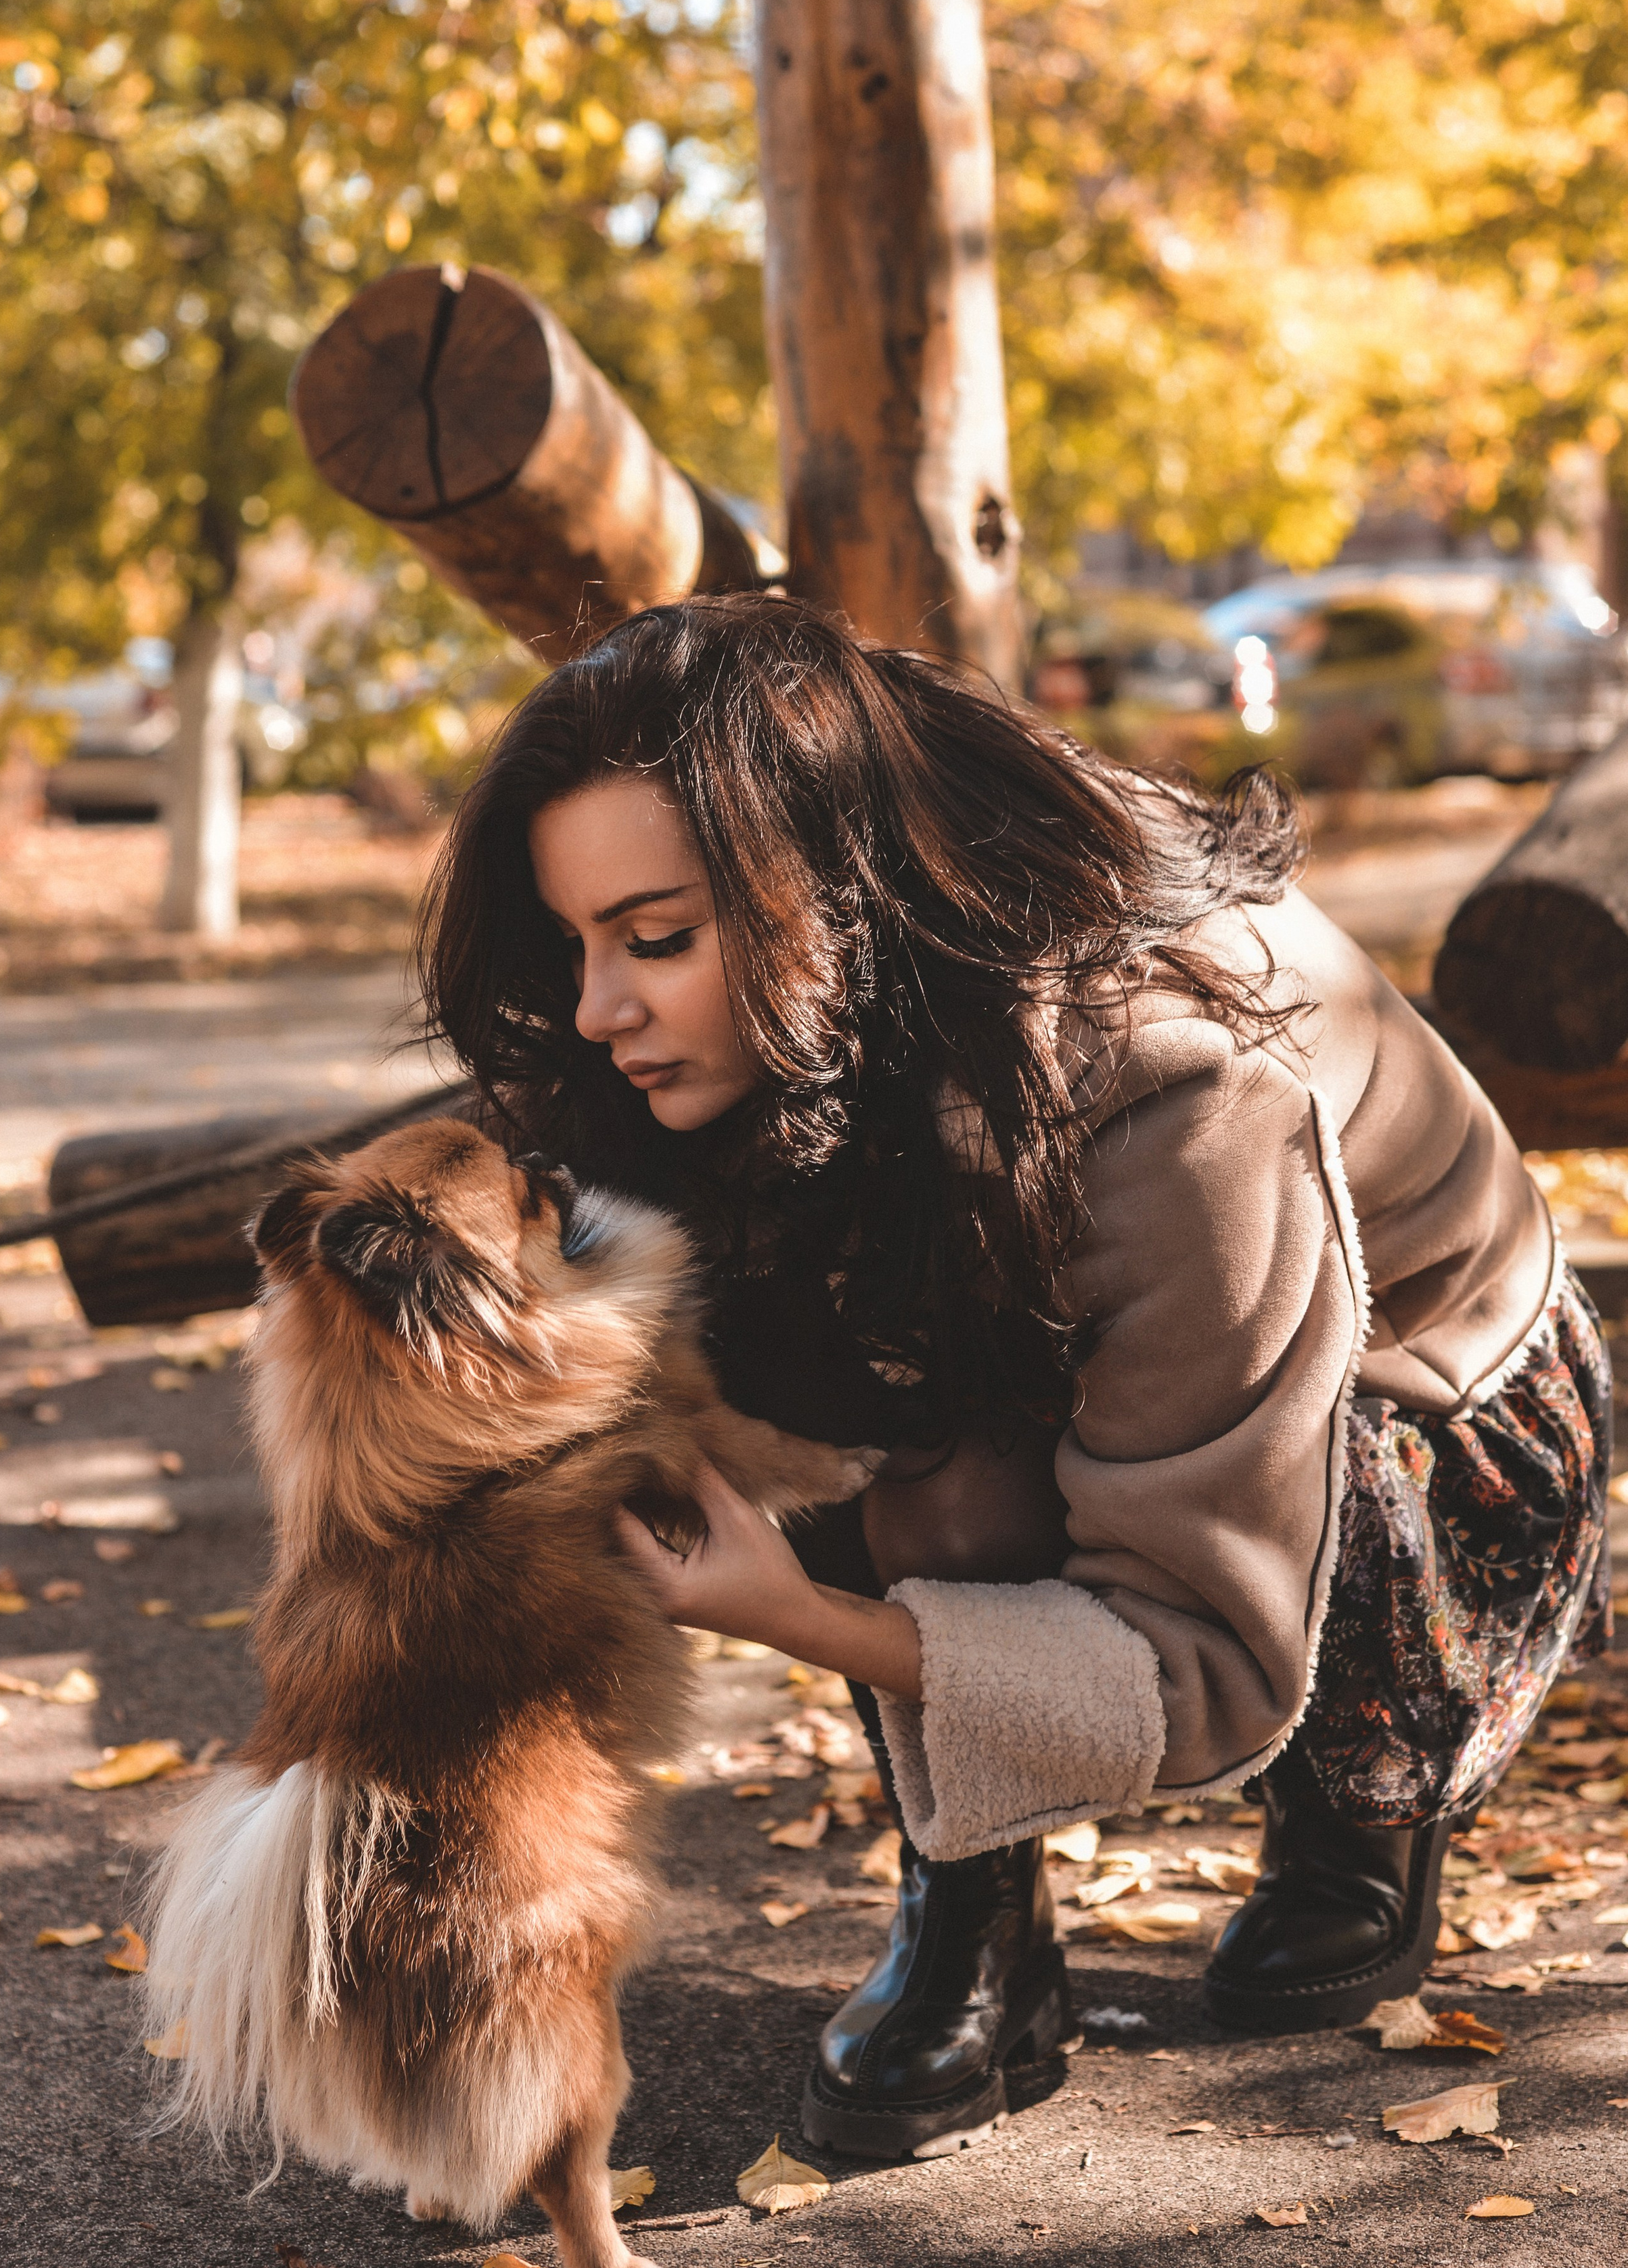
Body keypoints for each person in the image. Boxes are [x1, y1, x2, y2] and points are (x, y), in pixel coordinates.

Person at [416, 593, 1610, 2160]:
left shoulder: (1178, 1089)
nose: (596, 1010)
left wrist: (806, 1615)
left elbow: (1199, 1654)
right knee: (834, 1388)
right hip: (1079, 1313)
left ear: (831, 895)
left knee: (975, 1474)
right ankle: (973, 1897)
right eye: (577, 942)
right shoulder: (842, 989)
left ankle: (1363, 1808)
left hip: (1421, 1415)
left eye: (653, 941)